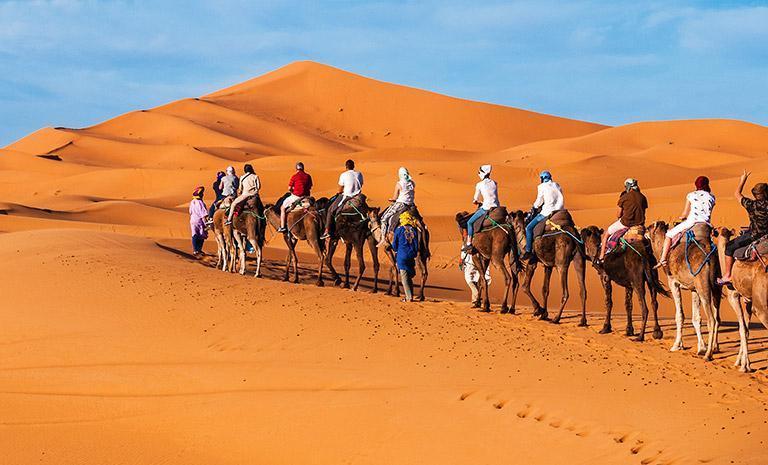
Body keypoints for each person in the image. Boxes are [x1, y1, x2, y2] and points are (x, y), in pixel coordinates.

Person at [718, 170, 768, 285]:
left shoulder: (751, 204)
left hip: (755, 235)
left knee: (729, 247)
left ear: (756, 195)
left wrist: (743, 180)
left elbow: (737, 194)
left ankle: (727, 275)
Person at [656, 176, 716, 268]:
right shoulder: (712, 197)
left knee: (669, 235)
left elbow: (684, 214)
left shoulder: (691, 195)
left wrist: (681, 217)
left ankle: (663, 259)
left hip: (691, 222)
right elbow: (709, 212)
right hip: (706, 224)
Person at [597, 178, 648, 263]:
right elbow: (643, 211)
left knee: (606, 234)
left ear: (628, 186)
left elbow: (618, 214)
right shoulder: (643, 197)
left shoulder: (624, 197)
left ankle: (602, 256)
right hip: (640, 225)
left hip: (625, 223)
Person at [521, 170, 564, 260]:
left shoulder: (542, 187)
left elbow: (539, 201)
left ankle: (528, 251)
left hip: (547, 212)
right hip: (560, 211)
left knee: (528, 228)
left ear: (542, 178)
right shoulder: (557, 185)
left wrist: (534, 207)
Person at [323, 159, 364, 239]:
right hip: (358, 197)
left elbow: (340, 189)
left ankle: (327, 231)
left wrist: (340, 192)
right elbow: (361, 184)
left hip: (347, 196)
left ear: (346, 167)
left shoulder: (343, 175)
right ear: (353, 166)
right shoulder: (359, 174)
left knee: (330, 210)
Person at [463, 165, 499, 252]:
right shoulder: (494, 183)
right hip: (496, 207)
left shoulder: (479, 184)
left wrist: (476, 201)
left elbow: (475, 199)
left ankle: (469, 244)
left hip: (486, 208)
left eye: (479, 172)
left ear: (482, 173)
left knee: (470, 222)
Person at [378, 167, 416, 247]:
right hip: (411, 205)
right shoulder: (412, 183)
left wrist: (391, 199)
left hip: (401, 204)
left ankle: (383, 239)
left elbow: (395, 197)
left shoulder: (399, 184)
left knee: (384, 219)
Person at [392, 211, 421, 302]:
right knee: (409, 276)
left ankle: (408, 298)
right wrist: (414, 253)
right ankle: (410, 295)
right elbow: (416, 244)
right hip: (411, 256)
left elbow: (394, 244)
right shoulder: (414, 229)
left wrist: (395, 250)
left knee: (404, 278)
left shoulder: (399, 229)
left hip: (402, 256)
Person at [278, 162, 313, 233]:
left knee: (282, 208)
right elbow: (310, 187)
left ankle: (282, 227)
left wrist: (293, 190)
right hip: (306, 197)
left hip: (296, 196)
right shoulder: (308, 176)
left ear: (296, 169)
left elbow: (289, 188)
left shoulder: (294, 176)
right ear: (303, 168)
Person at [189, 186, 208, 256]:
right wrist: (206, 223)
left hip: (192, 219)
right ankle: (198, 250)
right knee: (202, 235)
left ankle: (195, 250)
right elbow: (203, 214)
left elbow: (190, 211)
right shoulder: (200, 202)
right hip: (199, 220)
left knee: (194, 234)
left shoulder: (192, 202)